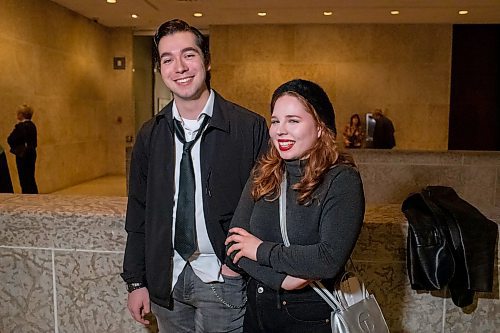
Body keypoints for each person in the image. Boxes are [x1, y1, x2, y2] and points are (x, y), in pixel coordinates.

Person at [121, 19, 269, 333]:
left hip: (223, 279)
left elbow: (265, 205)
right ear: (160, 70)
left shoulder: (248, 127)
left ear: (206, 60)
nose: (180, 67)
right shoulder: (150, 135)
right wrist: (136, 281)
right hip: (166, 280)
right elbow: (138, 213)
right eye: (167, 59)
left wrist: (234, 267)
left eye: (189, 55)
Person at [225, 79, 365, 332]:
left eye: (293, 120)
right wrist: (284, 280)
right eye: (276, 120)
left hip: (311, 316)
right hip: (257, 312)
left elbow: (327, 259)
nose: (280, 130)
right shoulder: (264, 172)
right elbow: (234, 246)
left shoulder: (341, 180)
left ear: (321, 127)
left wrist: (259, 250)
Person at [7, 104, 38, 194]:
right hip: (32, 153)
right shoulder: (32, 125)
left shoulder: (20, 127)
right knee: (31, 176)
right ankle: (34, 195)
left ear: (22, 114)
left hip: (22, 154)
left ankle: (27, 196)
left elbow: (10, 139)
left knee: (24, 178)